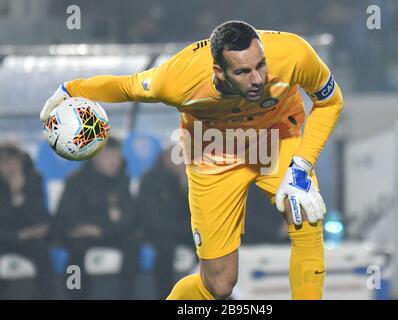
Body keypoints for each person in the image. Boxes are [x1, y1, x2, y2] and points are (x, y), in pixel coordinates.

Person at [41, 20, 344, 300]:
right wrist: (71, 89)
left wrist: (302, 166)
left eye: (260, 66)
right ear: (219, 72)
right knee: (219, 284)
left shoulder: (294, 53)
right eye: (242, 72)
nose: (257, 79)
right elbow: (126, 86)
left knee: (305, 214)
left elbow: (330, 101)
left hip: (277, 139)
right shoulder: (177, 80)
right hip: (211, 154)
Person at [53, 136, 137, 299]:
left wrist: (101, 230)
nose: (114, 162)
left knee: (133, 245)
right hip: (81, 234)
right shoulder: (76, 181)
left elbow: (130, 217)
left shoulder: (122, 180)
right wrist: (86, 228)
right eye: (108, 157)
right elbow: (64, 216)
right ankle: (76, 294)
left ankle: (128, 295)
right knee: (75, 254)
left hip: (109, 232)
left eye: (117, 157)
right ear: (95, 158)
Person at [134, 147, 194, 299]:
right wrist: (185, 229)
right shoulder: (150, 180)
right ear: (167, 156)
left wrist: (186, 188)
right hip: (157, 233)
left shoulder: (187, 179)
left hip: (181, 231)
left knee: (208, 243)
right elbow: (152, 219)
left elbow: (195, 214)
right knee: (165, 248)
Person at [0, 143, 54, 299]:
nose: (11, 167)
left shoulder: (34, 181)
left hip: (30, 238)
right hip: (5, 238)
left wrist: (21, 197)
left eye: (14, 162)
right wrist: (17, 235)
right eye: (5, 162)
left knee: (41, 251)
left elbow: (41, 216)